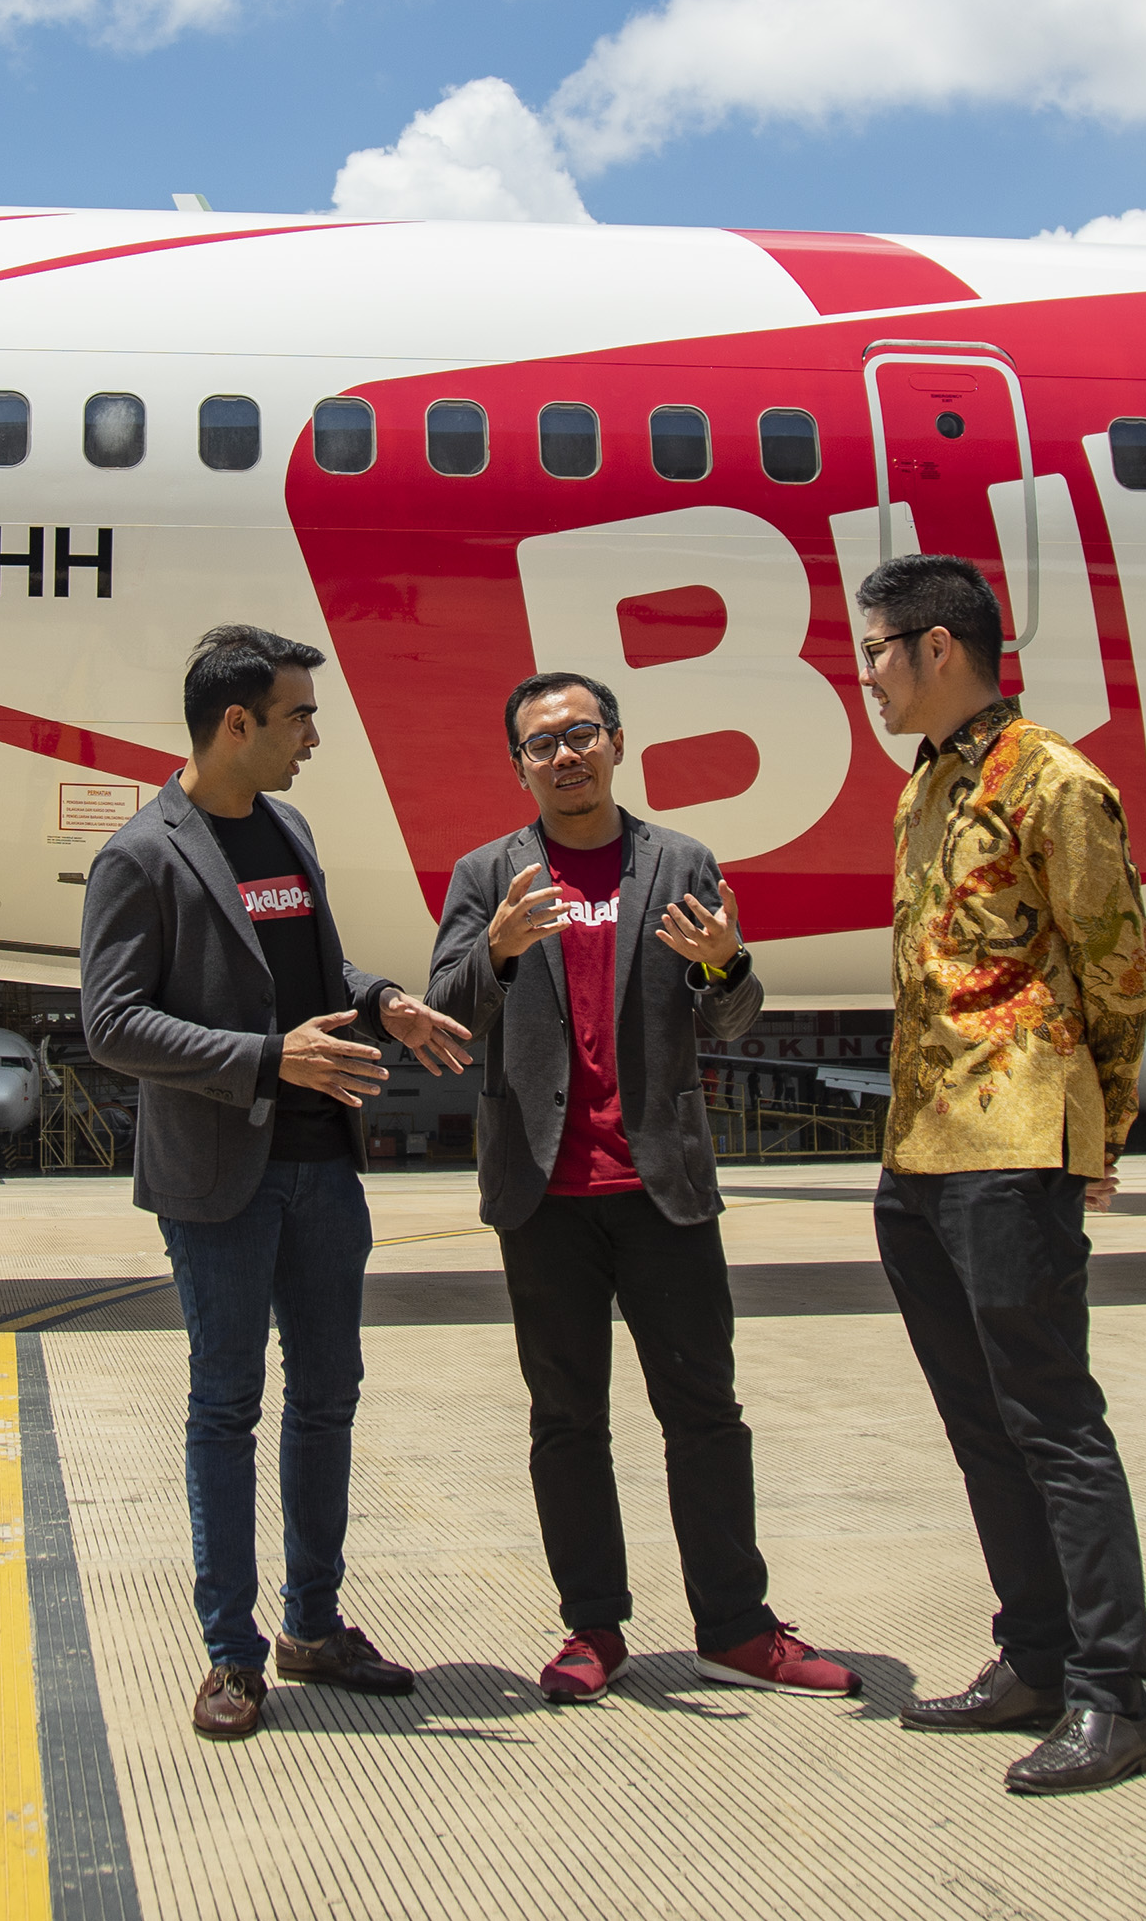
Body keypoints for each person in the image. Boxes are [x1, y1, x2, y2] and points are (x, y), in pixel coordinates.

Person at [429, 669, 860, 1707]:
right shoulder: (487, 874)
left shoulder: (681, 862)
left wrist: (724, 966)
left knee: (703, 1414)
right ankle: (593, 1629)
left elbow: (731, 1018)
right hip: (543, 1194)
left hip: (661, 1183)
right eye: (542, 743)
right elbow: (446, 1014)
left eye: (582, 734)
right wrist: (492, 952)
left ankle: (737, 1630)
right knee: (566, 1423)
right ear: (518, 765)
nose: (565, 754)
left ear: (618, 743)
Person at [81, 623, 474, 1741]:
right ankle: (230, 1655)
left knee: (328, 1398)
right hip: (221, 1174)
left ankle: (312, 1624)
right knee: (225, 1406)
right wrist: (266, 1059)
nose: (315, 735)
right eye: (299, 715)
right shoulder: (141, 855)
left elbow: (314, 969)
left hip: (321, 1167)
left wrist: (380, 999)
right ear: (237, 723)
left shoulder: (289, 830)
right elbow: (111, 1024)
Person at [852, 551, 1146, 1796]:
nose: (865, 675)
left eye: (876, 650)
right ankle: (1032, 1659)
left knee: (1054, 1426)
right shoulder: (922, 789)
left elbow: (1118, 968)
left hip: (1015, 1139)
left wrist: (1101, 1133)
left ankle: (1114, 1696)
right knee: (980, 1424)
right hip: (923, 1147)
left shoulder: (1056, 783)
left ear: (939, 648)